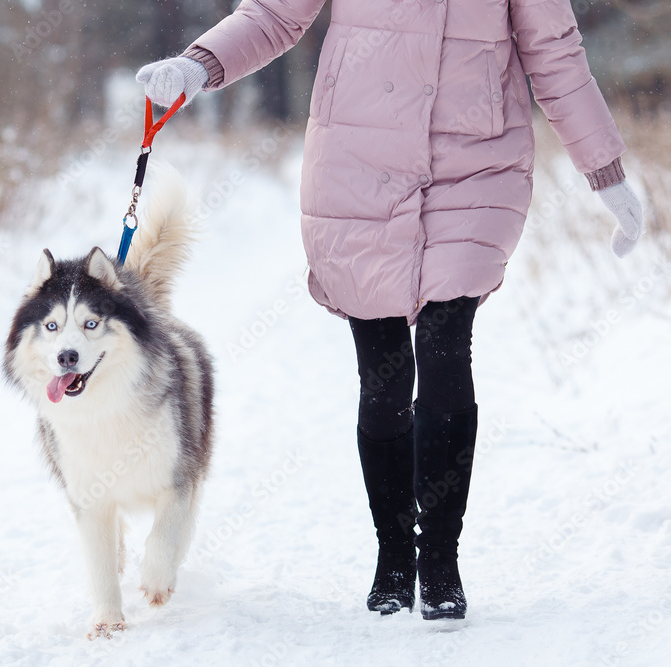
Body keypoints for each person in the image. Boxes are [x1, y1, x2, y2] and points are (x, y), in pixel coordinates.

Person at [136, 0, 643, 620]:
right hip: (358, 160)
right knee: (383, 375)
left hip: (476, 163)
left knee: (444, 338)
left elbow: (554, 51)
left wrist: (605, 170)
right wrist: (199, 65)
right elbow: (273, 15)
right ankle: (395, 554)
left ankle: (440, 560)